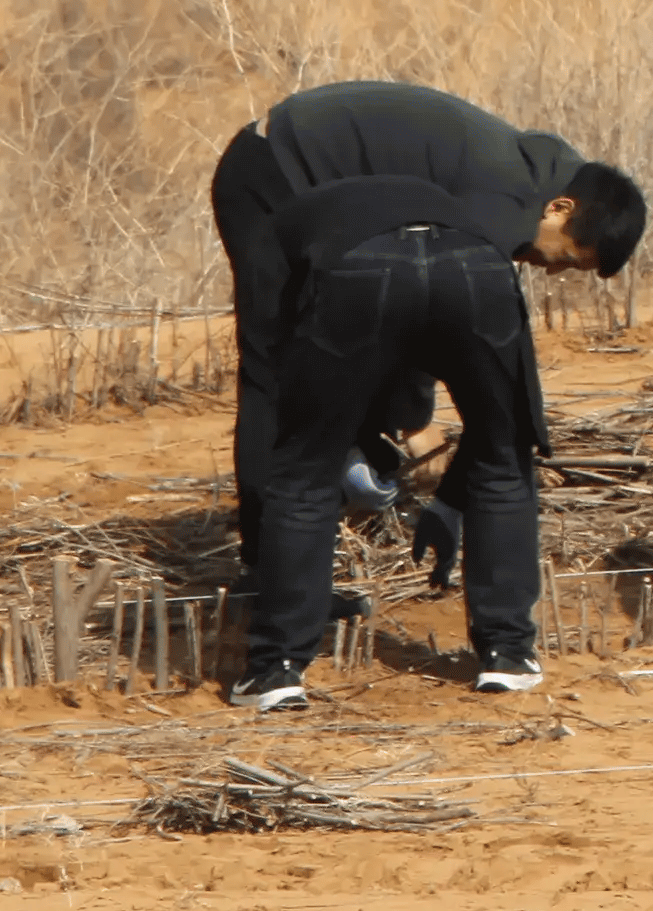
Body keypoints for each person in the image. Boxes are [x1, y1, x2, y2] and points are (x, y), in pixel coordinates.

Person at [234, 122, 646, 708]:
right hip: (474, 268)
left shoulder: (281, 230)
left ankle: (275, 669)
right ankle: (508, 654)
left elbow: (270, 366)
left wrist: (338, 442)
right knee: (506, 458)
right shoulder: (484, 212)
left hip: (354, 272)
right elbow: (493, 416)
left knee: (302, 476)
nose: (555, 270)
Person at [205, 78, 607, 573]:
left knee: (354, 336)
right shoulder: (500, 200)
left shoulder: (534, 181)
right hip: (274, 174)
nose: (552, 271)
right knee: (276, 368)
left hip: (325, 189)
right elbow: (430, 304)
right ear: (560, 209)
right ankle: (267, 572)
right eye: (566, 259)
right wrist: (415, 420)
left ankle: (335, 498)